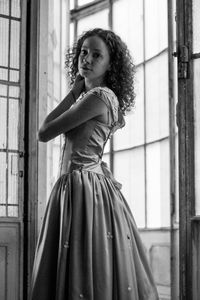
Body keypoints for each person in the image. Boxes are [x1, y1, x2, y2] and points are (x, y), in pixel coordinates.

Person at [30, 28, 159, 300]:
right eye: (83, 52)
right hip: (85, 183)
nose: (86, 59)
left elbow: (44, 132)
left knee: (84, 263)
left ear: (110, 65)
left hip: (82, 186)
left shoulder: (98, 97)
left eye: (96, 55)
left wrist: (73, 91)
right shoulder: (102, 97)